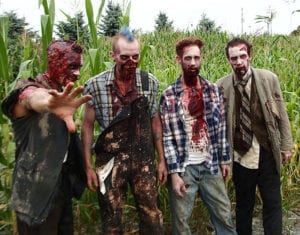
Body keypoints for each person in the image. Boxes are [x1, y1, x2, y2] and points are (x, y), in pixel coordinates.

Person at [81, 27, 167, 234]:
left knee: (151, 216)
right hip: (110, 160)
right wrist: (88, 166)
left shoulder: (149, 82)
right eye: (125, 57)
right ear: (112, 55)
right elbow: (87, 126)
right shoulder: (96, 85)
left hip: (143, 159)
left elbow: (155, 122)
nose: (131, 62)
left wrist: (161, 160)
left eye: (136, 57)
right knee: (111, 218)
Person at [1, 39, 92, 235]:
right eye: (71, 66)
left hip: (61, 185)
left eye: (79, 67)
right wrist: (49, 102)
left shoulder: (63, 94)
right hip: (34, 194)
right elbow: (32, 98)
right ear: (54, 62)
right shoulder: (29, 87)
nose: (77, 73)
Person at [159, 36, 236, 235]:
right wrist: (174, 174)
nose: (193, 63)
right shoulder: (169, 95)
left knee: (224, 215)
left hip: (210, 164)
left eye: (196, 58)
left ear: (201, 59)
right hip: (185, 167)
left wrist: (225, 160)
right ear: (179, 60)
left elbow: (220, 129)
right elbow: (167, 138)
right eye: (188, 58)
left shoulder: (212, 90)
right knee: (181, 222)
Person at [216, 38, 293, 235]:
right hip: (241, 156)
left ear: (250, 56)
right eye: (234, 58)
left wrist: (286, 145)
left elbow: (282, 114)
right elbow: (219, 125)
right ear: (228, 60)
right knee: (244, 207)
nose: (239, 62)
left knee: (272, 204)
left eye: (243, 56)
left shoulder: (268, 79)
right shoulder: (222, 86)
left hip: (267, 151)